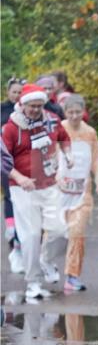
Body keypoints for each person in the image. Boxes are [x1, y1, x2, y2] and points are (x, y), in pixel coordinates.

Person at [1, 84, 74, 299]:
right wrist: (19, 178)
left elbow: (64, 137)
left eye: (39, 106)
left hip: (49, 184)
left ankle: (46, 260)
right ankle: (33, 282)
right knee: (31, 236)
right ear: (22, 104)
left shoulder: (51, 119)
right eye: (31, 106)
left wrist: (68, 154)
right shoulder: (11, 128)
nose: (35, 110)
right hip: (23, 188)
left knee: (61, 231)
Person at [59, 94, 98, 292]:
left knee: (77, 233)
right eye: (70, 112)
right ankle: (45, 265)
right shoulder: (58, 130)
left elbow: (96, 158)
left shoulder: (90, 133)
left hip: (82, 192)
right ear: (65, 112)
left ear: (83, 111)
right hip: (59, 191)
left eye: (77, 112)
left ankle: (72, 275)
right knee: (53, 234)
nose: (74, 116)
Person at [3, 77, 26, 272]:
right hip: (5, 160)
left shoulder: (28, 111)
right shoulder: (2, 110)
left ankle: (22, 241)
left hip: (24, 162)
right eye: (14, 92)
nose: (17, 95)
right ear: (8, 92)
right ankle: (11, 231)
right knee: (10, 196)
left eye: (20, 92)